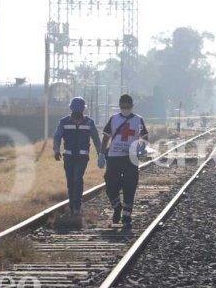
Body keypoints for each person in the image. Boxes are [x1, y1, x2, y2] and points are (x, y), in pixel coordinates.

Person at [101, 94, 148, 229]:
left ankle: (126, 216)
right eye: (123, 107)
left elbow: (144, 138)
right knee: (110, 185)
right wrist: (101, 153)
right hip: (113, 157)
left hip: (130, 158)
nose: (125, 109)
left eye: (127, 107)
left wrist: (140, 148)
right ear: (120, 106)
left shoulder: (138, 120)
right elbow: (105, 137)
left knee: (129, 187)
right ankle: (117, 206)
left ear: (132, 106)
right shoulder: (114, 119)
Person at [53, 97, 105, 215]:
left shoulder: (89, 122)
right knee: (70, 181)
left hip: (82, 157)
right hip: (68, 156)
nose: (77, 112)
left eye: (78, 110)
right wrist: (56, 150)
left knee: (77, 179)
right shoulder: (64, 122)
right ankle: (72, 207)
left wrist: (100, 153)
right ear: (71, 109)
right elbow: (57, 137)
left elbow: (96, 139)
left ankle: (77, 206)